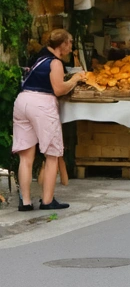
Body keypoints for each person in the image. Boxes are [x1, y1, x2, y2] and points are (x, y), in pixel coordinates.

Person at [13, 29, 84, 210]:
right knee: (52, 154)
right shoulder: (55, 63)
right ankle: (47, 200)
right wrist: (75, 79)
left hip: (22, 102)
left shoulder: (37, 58)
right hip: (42, 104)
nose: (71, 48)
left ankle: (26, 202)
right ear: (62, 45)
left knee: (26, 157)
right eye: (69, 43)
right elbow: (59, 89)